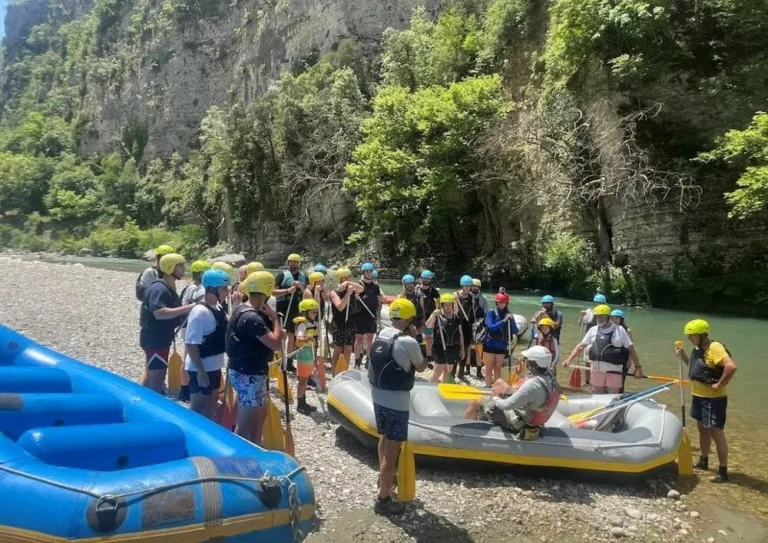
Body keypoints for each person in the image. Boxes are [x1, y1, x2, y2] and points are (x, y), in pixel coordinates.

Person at [369, 298, 426, 515]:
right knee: (393, 451)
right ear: (409, 319)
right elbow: (421, 367)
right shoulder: (408, 342)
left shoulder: (381, 334)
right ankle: (383, 499)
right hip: (397, 402)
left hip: (378, 396)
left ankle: (383, 478)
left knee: (384, 438)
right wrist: (415, 337)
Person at [226, 271, 283, 445]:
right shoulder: (252, 318)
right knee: (245, 424)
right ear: (267, 290)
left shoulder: (241, 309)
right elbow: (276, 344)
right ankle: (239, 456)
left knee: (256, 417)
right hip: (249, 374)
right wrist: (275, 318)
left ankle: (254, 448)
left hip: (244, 370)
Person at [676, 319, 737, 483]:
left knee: (716, 432)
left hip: (713, 399)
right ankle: (703, 461)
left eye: (692, 336)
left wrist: (719, 384)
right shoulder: (698, 348)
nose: (689, 338)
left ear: (702, 335)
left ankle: (723, 471)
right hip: (698, 396)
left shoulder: (715, 347)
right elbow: (697, 368)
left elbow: (731, 366)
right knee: (702, 429)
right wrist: (684, 357)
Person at [464, 346, 560, 441]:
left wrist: (495, 398)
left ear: (533, 363)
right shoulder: (551, 379)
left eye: (526, 359)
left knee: (475, 403)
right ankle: (485, 415)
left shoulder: (533, 385)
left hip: (519, 422)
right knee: (499, 384)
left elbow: (506, 405)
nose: (525, 361)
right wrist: (520, 376)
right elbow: (533, 394)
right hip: (532, 419)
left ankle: (464, 437)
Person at [139, 253, 195, 394]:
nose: (184, 269)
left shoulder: (168, 287)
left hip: (160, 338)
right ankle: (151, 405)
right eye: (180, 266)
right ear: (170, 268)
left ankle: (140, 398)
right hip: (155, 339)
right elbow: (159, 313)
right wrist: (189, 307)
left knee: (151, 375)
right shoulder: (159, 288)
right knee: (157, 379)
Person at [562, 304, 644, 393]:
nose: (599, 319)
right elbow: (581, 346)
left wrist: (638, 367)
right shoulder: (593, 330)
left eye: (602, 316)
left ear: (608, 317)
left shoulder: (619, 330)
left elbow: (631, 349)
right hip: (597, 370)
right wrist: (569, 359)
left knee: (612, 396)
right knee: (597, 395)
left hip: (614, 370)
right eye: (597, 317)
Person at [184, 268, 231, 418]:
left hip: (214, 366)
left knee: (211, 405)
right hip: (201, 367)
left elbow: (229, 325)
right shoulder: (200, 312)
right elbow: (191, 343)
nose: (227, 292)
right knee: (198, 408)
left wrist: (236, 306)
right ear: (212, 289)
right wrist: (200, 372)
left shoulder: (218, 307)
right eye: (224, 289)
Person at [178, 259, 211, 402]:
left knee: (191, 357)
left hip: (195, 325)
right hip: (189, 326)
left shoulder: (201, 287)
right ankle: (184, 389)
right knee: (188, 358)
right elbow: (184, 305)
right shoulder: (192, 287)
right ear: (198, 274)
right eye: (204, 273)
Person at [273, 254, 308, 373]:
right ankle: (278, 360)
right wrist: (288, 290)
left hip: (296, 308)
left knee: (292, 336)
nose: (293, 264)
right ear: (288, 263)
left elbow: (307, 293)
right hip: (283, 307)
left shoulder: (303, 277)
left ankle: (289, 362)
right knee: (282, 334)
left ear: (299, 264)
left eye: (295, 262)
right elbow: (273, 292)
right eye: (291, 262)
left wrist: (300, 286)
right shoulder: (281, 275)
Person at [329, 267, 364, 373]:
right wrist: (348, 294)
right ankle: (334, 372)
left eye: (349, 277)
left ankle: (344, 371)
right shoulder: (334, 292)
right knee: (338, 349)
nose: (348, 279)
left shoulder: (352, 288)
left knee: (348, 349)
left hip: (350, 322)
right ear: (340, 279)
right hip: (339, 323)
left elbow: (362, 289)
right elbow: (340, 307)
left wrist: (349, 284)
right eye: (345, 278)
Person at [424, 293, 464, 383]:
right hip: (439, 347)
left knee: (447, 370)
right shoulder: (438, 316)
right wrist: (433, 314)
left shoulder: (456, 317)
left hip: (453, 348)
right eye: (446, 305)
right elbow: (428, 325)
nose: (448, 307)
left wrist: (462, 349)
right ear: (442, 305)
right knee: (437, 371)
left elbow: (460, 334)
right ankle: (429, 388)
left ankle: (443, 387)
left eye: (450, 305)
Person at [482, 292, 518, 386]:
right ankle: (488, 386)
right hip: (490, 345)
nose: (501, 304)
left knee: (498, 369)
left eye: (503, 302)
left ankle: (497, 388)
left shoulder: (509, 314)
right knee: (489, 368)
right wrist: (503, 321)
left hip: (502, 346)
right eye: (499, 302)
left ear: (506, 303)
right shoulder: (491, 312)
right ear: (496, 302)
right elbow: (490, 327)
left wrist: (511, 320)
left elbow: (515, 331)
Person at [453, 275, 483, 380]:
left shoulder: (471, 296)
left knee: (466, 349)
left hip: (468, 325)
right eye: (465, 286)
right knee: (457, 348)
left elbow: (473, 312)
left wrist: (475, 325)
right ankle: (452, 372)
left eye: (469, 286)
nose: (467, 288)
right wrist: (455, 301)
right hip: (458, 324)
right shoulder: (456, 295)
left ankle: (461, 373)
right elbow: (455, 312)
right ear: (462, 285)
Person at [294, 299, 320, 415]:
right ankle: (300, 405)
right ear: (305, 312)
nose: (315, 314)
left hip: (310, 353)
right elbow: (299, 338)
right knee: (302, 380)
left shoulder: (311, 323)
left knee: (305, 380)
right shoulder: (302, 324)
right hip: (304, 355)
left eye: (316, 312)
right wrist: (306, 338)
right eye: (312, 312)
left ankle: (304, 402)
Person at [355, 263, 384, 368]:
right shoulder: (359, 284)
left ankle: (368, 359)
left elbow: (379, 300)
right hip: (361, 315)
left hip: (372, 314)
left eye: (370, 271)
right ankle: (357, 361)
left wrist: (378, 314)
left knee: (370, 338)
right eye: (367, 271)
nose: (369, 273)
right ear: (363, 272)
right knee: (359, 338)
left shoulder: (376, 286)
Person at [577, 294, 607, 386]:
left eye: (600, 303)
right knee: (587, 361)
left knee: (595, 362)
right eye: (596, 303)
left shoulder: (606, 314)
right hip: (589, 340)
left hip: (600, 341)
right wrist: (581, 316)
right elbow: (580, 324)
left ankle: (595, 381)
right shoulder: (589, 312)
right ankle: (587, 381)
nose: (598, 305)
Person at [418, 270, 441, 366]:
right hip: (418, 317)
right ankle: (416, 357)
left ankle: (429, 357)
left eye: (428, 279)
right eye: (424, 278)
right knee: (417, 336)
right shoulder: (417, 289)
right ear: (421, 278)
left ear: (430, 280)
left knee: (428, 338)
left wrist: (436, 310)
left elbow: (439, 300)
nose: (426, 280)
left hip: (429, 317)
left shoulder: (433, 290)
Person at [610, 309, 633, 392]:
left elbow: (631, 347)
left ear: (621, 319)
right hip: (612, 357)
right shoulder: (610, 329)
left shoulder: (627, 330)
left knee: (621, 379)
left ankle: (620, 394)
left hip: (624, 357)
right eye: (612, 318)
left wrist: (629, 360)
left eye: (616, 318)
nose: (614, 320)